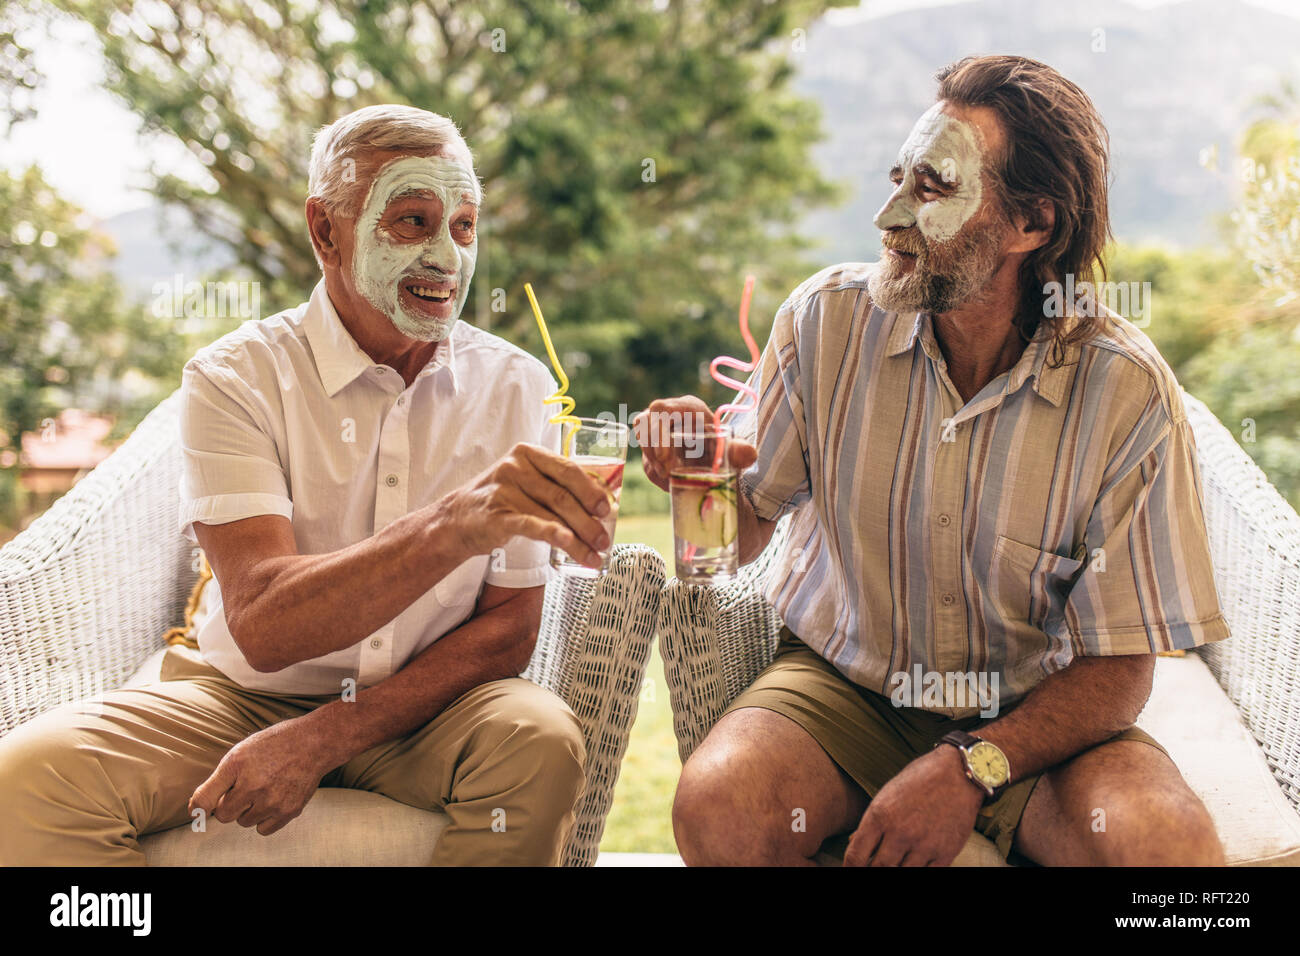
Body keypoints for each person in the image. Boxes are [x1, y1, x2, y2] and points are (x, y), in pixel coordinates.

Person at [637, 55, 1229, 866]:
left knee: (1166, 848)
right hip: (846, 694)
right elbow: (727, 545)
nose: (888, 217)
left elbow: (1120, 671)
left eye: (933, 187)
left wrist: (973, 766)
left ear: (1032, 227)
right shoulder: (822, 323)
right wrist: (693, 477)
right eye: (897, 179)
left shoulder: (1125, 394)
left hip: (1036, 716)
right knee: (721, 804)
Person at [0, 104, 613, 866]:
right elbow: (263, 623)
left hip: (432, 708)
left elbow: (512, 627)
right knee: (31, 777)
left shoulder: (519, 384)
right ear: (326, 231)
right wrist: (455, 525)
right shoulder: (235, 377)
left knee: (540, 740)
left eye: (462, 226)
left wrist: (327, 737)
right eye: (412, 220)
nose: (447, 258)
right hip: (238, 696)